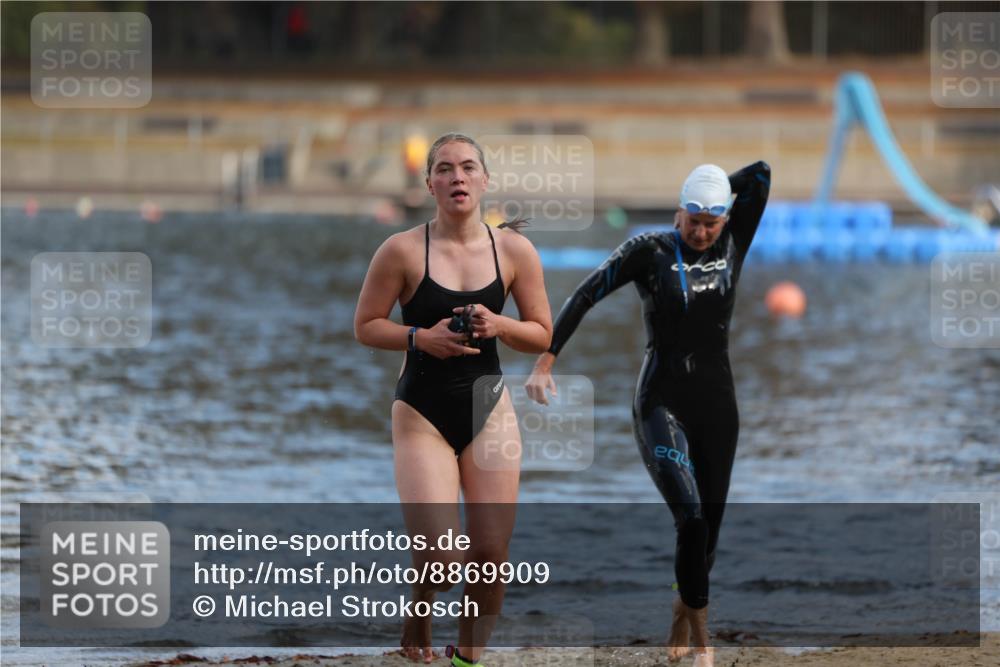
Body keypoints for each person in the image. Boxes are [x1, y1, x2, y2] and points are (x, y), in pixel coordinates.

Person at [526, 161, 771, 667]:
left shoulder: (733, 242)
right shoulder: (649, 251)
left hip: (718, 407)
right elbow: (586, 293)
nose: (701, 232)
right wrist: (547, 359)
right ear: (678, 212)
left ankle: (682, 610)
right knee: (691, 518)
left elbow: (762, 174)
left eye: (711, 223)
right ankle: (703, 644)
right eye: (693, 220)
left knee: (708, 535)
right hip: (661, 402)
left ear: (725, 220)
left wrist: (715, 185)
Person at [354, 133, 553, 667]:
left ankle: (466, 660)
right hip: (421, 411)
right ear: (430, 184)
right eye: (444, 169)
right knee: (442, 558)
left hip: (489, 406)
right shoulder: (400, 250)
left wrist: (500, 324)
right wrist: (422, 338)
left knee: (490, 555)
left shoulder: (513, 251)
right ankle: (420, 607)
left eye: (467, 167)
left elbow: (541, 333)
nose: (457, 177)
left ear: (485, 180)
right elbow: (366, 326)